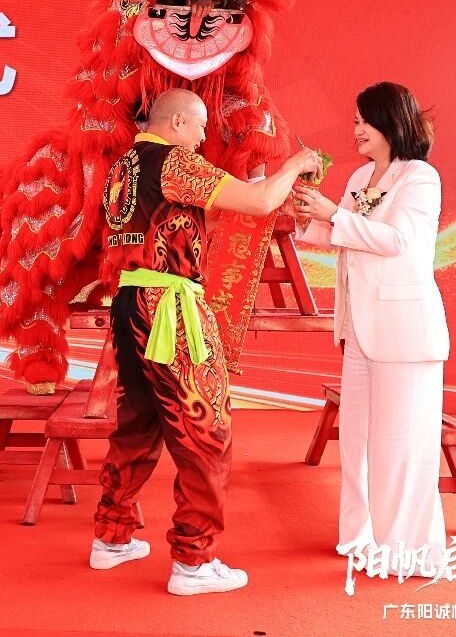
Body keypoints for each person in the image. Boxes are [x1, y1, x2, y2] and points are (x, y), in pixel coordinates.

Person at [90, 88, 322, 595]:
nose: (202, 139)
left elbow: (186, 219)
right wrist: (294, 165)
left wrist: (250, 191)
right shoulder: (175, 161)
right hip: (170, 310)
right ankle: (193, 562)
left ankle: (111, 536)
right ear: (176, 123)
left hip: (130, 304)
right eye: (199, 128)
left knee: (137, 425)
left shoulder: (124, 166)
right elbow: (260, 202)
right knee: (205, 432)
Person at [291, 81, 450, 574]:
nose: (356, 129)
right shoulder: (362, 175)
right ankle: (363, 538)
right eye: (355, 120)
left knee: (401, 444)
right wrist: (305, 218)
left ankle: (408, 550)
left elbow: (397, 240)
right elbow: (344, 236)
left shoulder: (419, 177)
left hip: (404, 331)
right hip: (359, 328)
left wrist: (334, 214)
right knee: (358, 441)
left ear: (390, 121)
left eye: (363, 120)